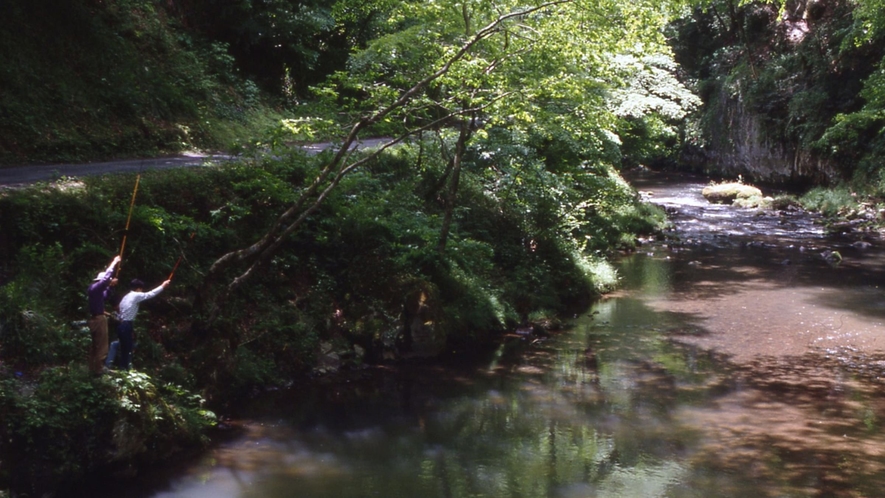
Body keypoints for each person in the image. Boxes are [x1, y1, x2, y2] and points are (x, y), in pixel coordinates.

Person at [114, 278, 170, 370]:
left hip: (121, 324)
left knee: (125, 347)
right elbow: (150, 294)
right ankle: (124, 369)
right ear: (139, 288)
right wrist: (163, 286)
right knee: (127, 348)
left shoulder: (126, 296)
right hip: (126, 324)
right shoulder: (136, 295)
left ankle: (122, 368)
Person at [86, 255, 121, 375]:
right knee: (101, 345)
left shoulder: (96, 291)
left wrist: (110, 287)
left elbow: (105, 296)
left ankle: (93, 368)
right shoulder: (95, 288)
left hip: (96, 319)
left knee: (96, 345)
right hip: (98, 320)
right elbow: (105, 279)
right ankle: (99, 369)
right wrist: (114, 263)